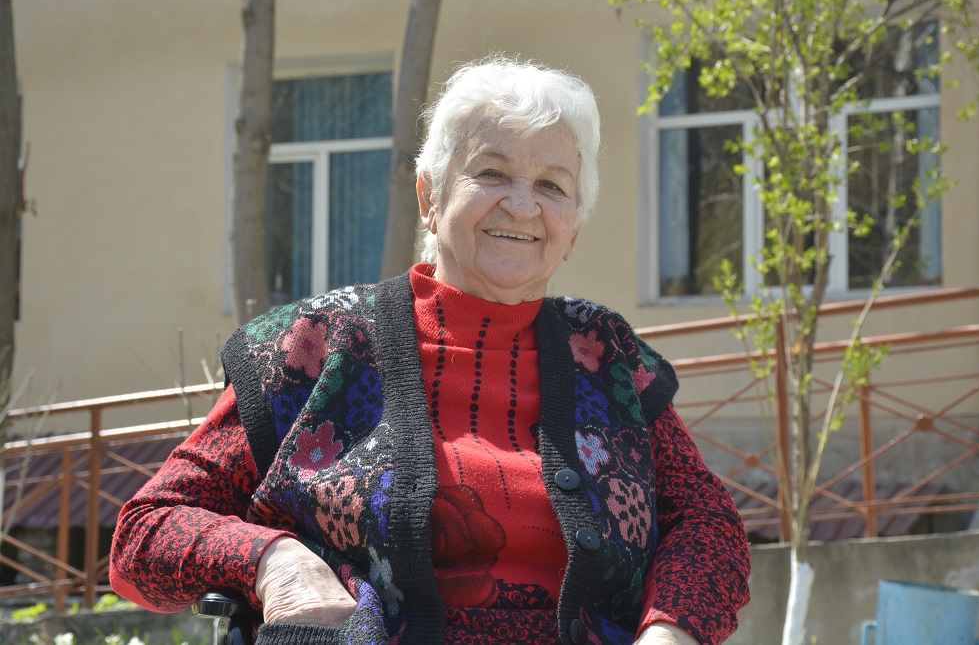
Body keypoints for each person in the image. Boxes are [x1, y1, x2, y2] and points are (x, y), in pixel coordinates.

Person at [110, 57, 751, 645]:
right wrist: (276, 562)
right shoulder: (315, 345)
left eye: (552, 186)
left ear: (573, 228)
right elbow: (146, 532)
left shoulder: (604, 355)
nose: (521, 205)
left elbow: (709, 524)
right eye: (491, 173)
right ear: (429, 197)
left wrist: (671, 631)